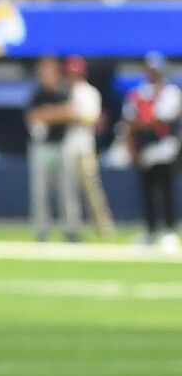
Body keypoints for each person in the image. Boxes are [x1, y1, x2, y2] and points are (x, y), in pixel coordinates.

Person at [121, 52, 180, 250]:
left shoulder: (171, 92)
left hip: (164, 148)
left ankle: (169, 231)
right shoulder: (138, 93)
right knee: (146, 192)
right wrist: (133, 142)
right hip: (145, 149)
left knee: (165, 190)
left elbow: (162, 119)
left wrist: (140, 124)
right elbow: (129, 121)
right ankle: (150, 230)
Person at [60, 56, 115, 240]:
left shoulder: (89, 92)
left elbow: (92, 118)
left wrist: (70, 115)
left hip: (84, 146)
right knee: (68, 191)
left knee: (92, 190)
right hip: (67, 146)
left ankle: (104, 228)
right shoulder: (64, 91)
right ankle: (72, 229)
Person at [25, 55, 79, 241]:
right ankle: (42, 230)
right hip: (42, 147)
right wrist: (56, 113)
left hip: (61, 145)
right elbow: (32, 117)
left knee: (67, 190)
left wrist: (47, 113)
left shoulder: (63, 91)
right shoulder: (37, 93)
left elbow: (71, 113)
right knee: (40, 191)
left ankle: (70, 229)